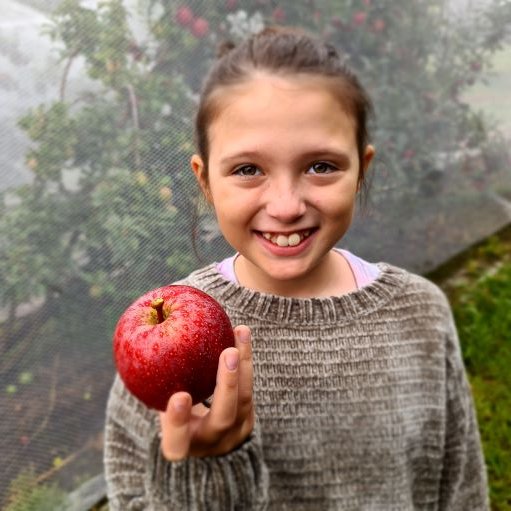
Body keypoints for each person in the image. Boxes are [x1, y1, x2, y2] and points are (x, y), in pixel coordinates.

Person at [103, 26, 489, 510]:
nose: (285, 207)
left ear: (361, 170)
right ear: (205, 182)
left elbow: (460, 489)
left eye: (321, 166)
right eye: (248, 170)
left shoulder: (421, 314)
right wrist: (199, 476)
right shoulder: (158, 350)